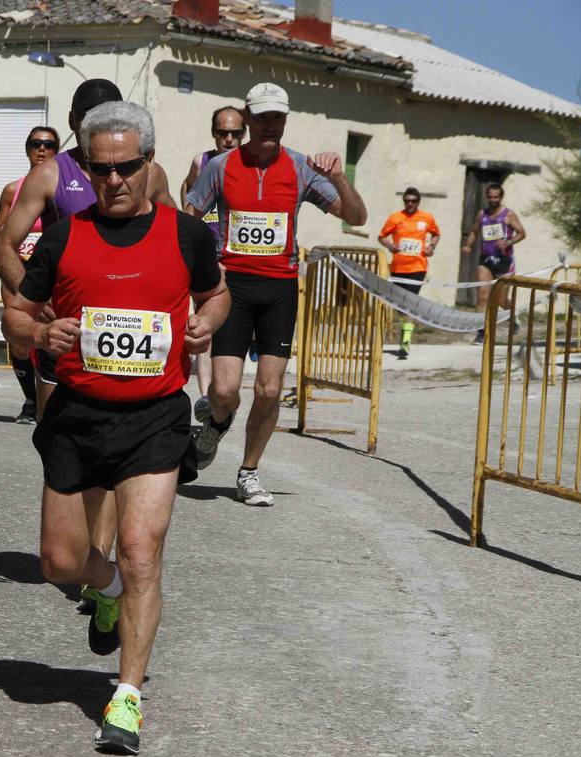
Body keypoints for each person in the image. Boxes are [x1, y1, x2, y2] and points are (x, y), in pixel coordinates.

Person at [3, 101, 230, 755]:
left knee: (139, 552)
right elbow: (17, 314)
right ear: (87, 170)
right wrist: (43, 330)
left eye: (127, 167)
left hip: (155, 417)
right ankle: (101, 590)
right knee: (60, 561)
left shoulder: (187, 235)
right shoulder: (65, 236)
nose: (115, 181)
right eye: (102, 170)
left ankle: (125, 696)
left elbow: (216, 293)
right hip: (77, 414)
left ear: (148, 163)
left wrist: (207, 322)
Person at [0, 78, 175, 606]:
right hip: (66, 339)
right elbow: (6, 244)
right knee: (62, 443)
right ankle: (88, 557)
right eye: (87, 117)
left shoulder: (149, 173)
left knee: (117, 456)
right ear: (72, 121)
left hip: (131, 340)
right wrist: (31, 297)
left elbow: (176, 236)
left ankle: (102, 567)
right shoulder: (50, 173)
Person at [184, 82, 367, 506]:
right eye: (262, 117)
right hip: (233, 289)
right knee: (225, 391)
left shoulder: (303, 168)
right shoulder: (222, 166)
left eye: (277, 117)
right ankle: (216, 422)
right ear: (247, 118)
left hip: (280, 288)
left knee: (269, 390)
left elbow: (356, 216)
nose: (270, 125)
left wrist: (338, 177)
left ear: (286, 120)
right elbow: (190, 217)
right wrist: (201, 269)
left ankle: (248, 471)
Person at [0, 125, 61, 423]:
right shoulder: (13, 190)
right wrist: (9, 234)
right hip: (19, 269)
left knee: (52, 334)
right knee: (19, 338)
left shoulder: (61, 186)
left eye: (48, 145)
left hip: (51, 274)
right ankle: (31, 402)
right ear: (27, 149)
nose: (41, 150)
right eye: (35, 144)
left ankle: (54, 396)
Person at [180, 105, 246, 401]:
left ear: (244, 134)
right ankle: (206, 395)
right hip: (207, 256)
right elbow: (188, 186)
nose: (229, 139)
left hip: (238, 257)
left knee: (233, 324)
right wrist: (192, 224)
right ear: (213, 134)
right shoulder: (202, 161)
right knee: (203, 322)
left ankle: (225, 386)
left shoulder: (250, 166)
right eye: (223, 133)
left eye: (236, 133)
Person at [377, 186, 440, 358]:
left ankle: (406, 339)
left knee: (410, 303)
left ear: (418, 202)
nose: (410, 204)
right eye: (407, 201)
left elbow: (435, 234)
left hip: (418, 267)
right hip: (398, 267)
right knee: (401, 305)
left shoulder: (426, 218)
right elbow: (382, 236)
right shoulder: (396, 217)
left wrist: (432, 247)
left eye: (413, 201)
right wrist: (390, 246)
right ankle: (406, 332)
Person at [462, 183, 526, 343]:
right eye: (490, 197)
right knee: (483, 295)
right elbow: (475, 231)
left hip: (504, 261)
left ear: (501, 197)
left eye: (496, 197)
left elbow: (522, 233)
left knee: (500, 299)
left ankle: (513, 315)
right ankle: (481, 332)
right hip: (485, 259)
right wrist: (468, 245)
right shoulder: (482, 214)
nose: (492, 200)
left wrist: (508, 242)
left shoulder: (508, 215)